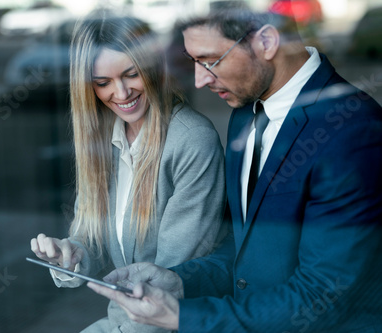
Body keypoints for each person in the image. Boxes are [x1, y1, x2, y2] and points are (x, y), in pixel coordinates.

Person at [88, 7, 382, 333]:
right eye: (193, 61)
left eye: (210, 60)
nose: (200, 80)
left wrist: (182, 317)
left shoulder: (354, 131)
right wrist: (180, 281)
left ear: (267, 41)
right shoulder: (245, 112)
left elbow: (321, 295)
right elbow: (248, 250)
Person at [30, 12, 226, 333]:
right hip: (127, 322)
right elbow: (91, 240)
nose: (121, 94)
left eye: (131, 74)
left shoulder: (190, 138)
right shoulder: (106, 138)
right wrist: (70, 254)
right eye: (103, 83)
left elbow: (169, 281)